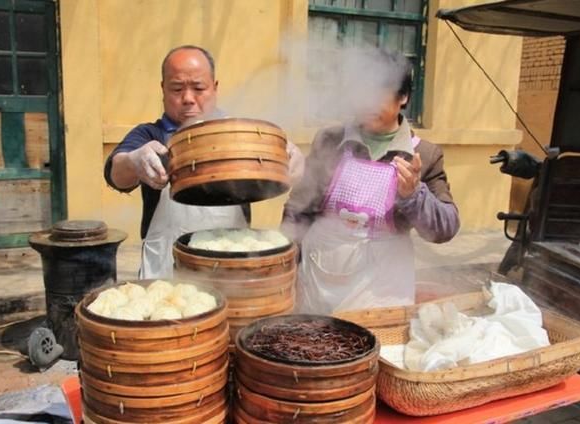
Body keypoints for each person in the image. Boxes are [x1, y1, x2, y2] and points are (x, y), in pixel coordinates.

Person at [104, 45, 303, 279]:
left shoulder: (238, 133)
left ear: (215, 88)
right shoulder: (149, 135)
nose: (188, 99)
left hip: (231, 269)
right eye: (177, 88)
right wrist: (134, 161)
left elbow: (282, 163)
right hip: (166, 268)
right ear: (163, 89)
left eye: (198, 88)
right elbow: (115, 173)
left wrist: (289, 157)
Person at [283, 50, 459, 314]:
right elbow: (299, 208)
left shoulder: (425, 154)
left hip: (381, 288)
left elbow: (446, 227)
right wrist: (285, 266)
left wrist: (414, 196)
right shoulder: (330, 140)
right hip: (320, 280)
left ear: (403, 97)